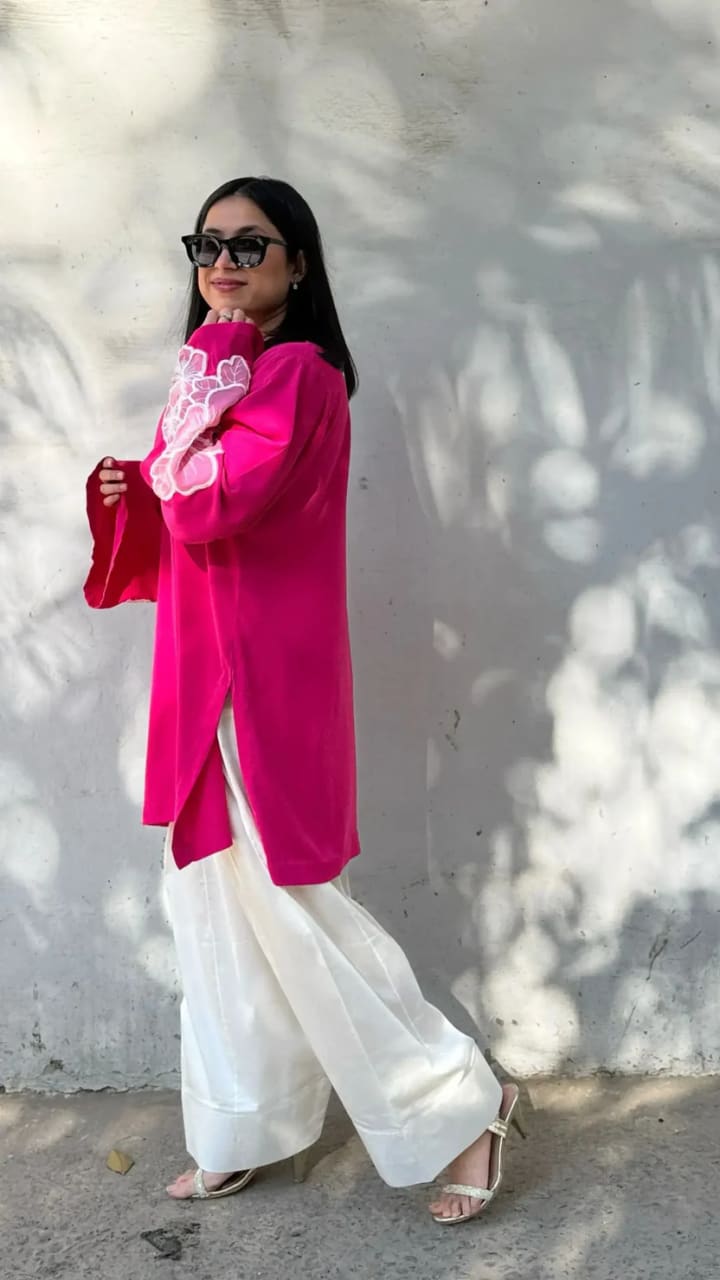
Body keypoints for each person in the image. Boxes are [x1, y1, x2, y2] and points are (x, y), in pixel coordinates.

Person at [83, 176, 524, 1225]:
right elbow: (184, 504)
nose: (223, 263)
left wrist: (198, 402)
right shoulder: (229, 370)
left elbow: (214, 504)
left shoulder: (292, 371)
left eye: (251, 244)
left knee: (290, 901)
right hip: (204, 666)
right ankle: (244, 1124)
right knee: (213, 903)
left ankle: (464, 1103)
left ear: (299, 263)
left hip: (255, 674)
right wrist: (136, 487)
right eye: (208, 244)